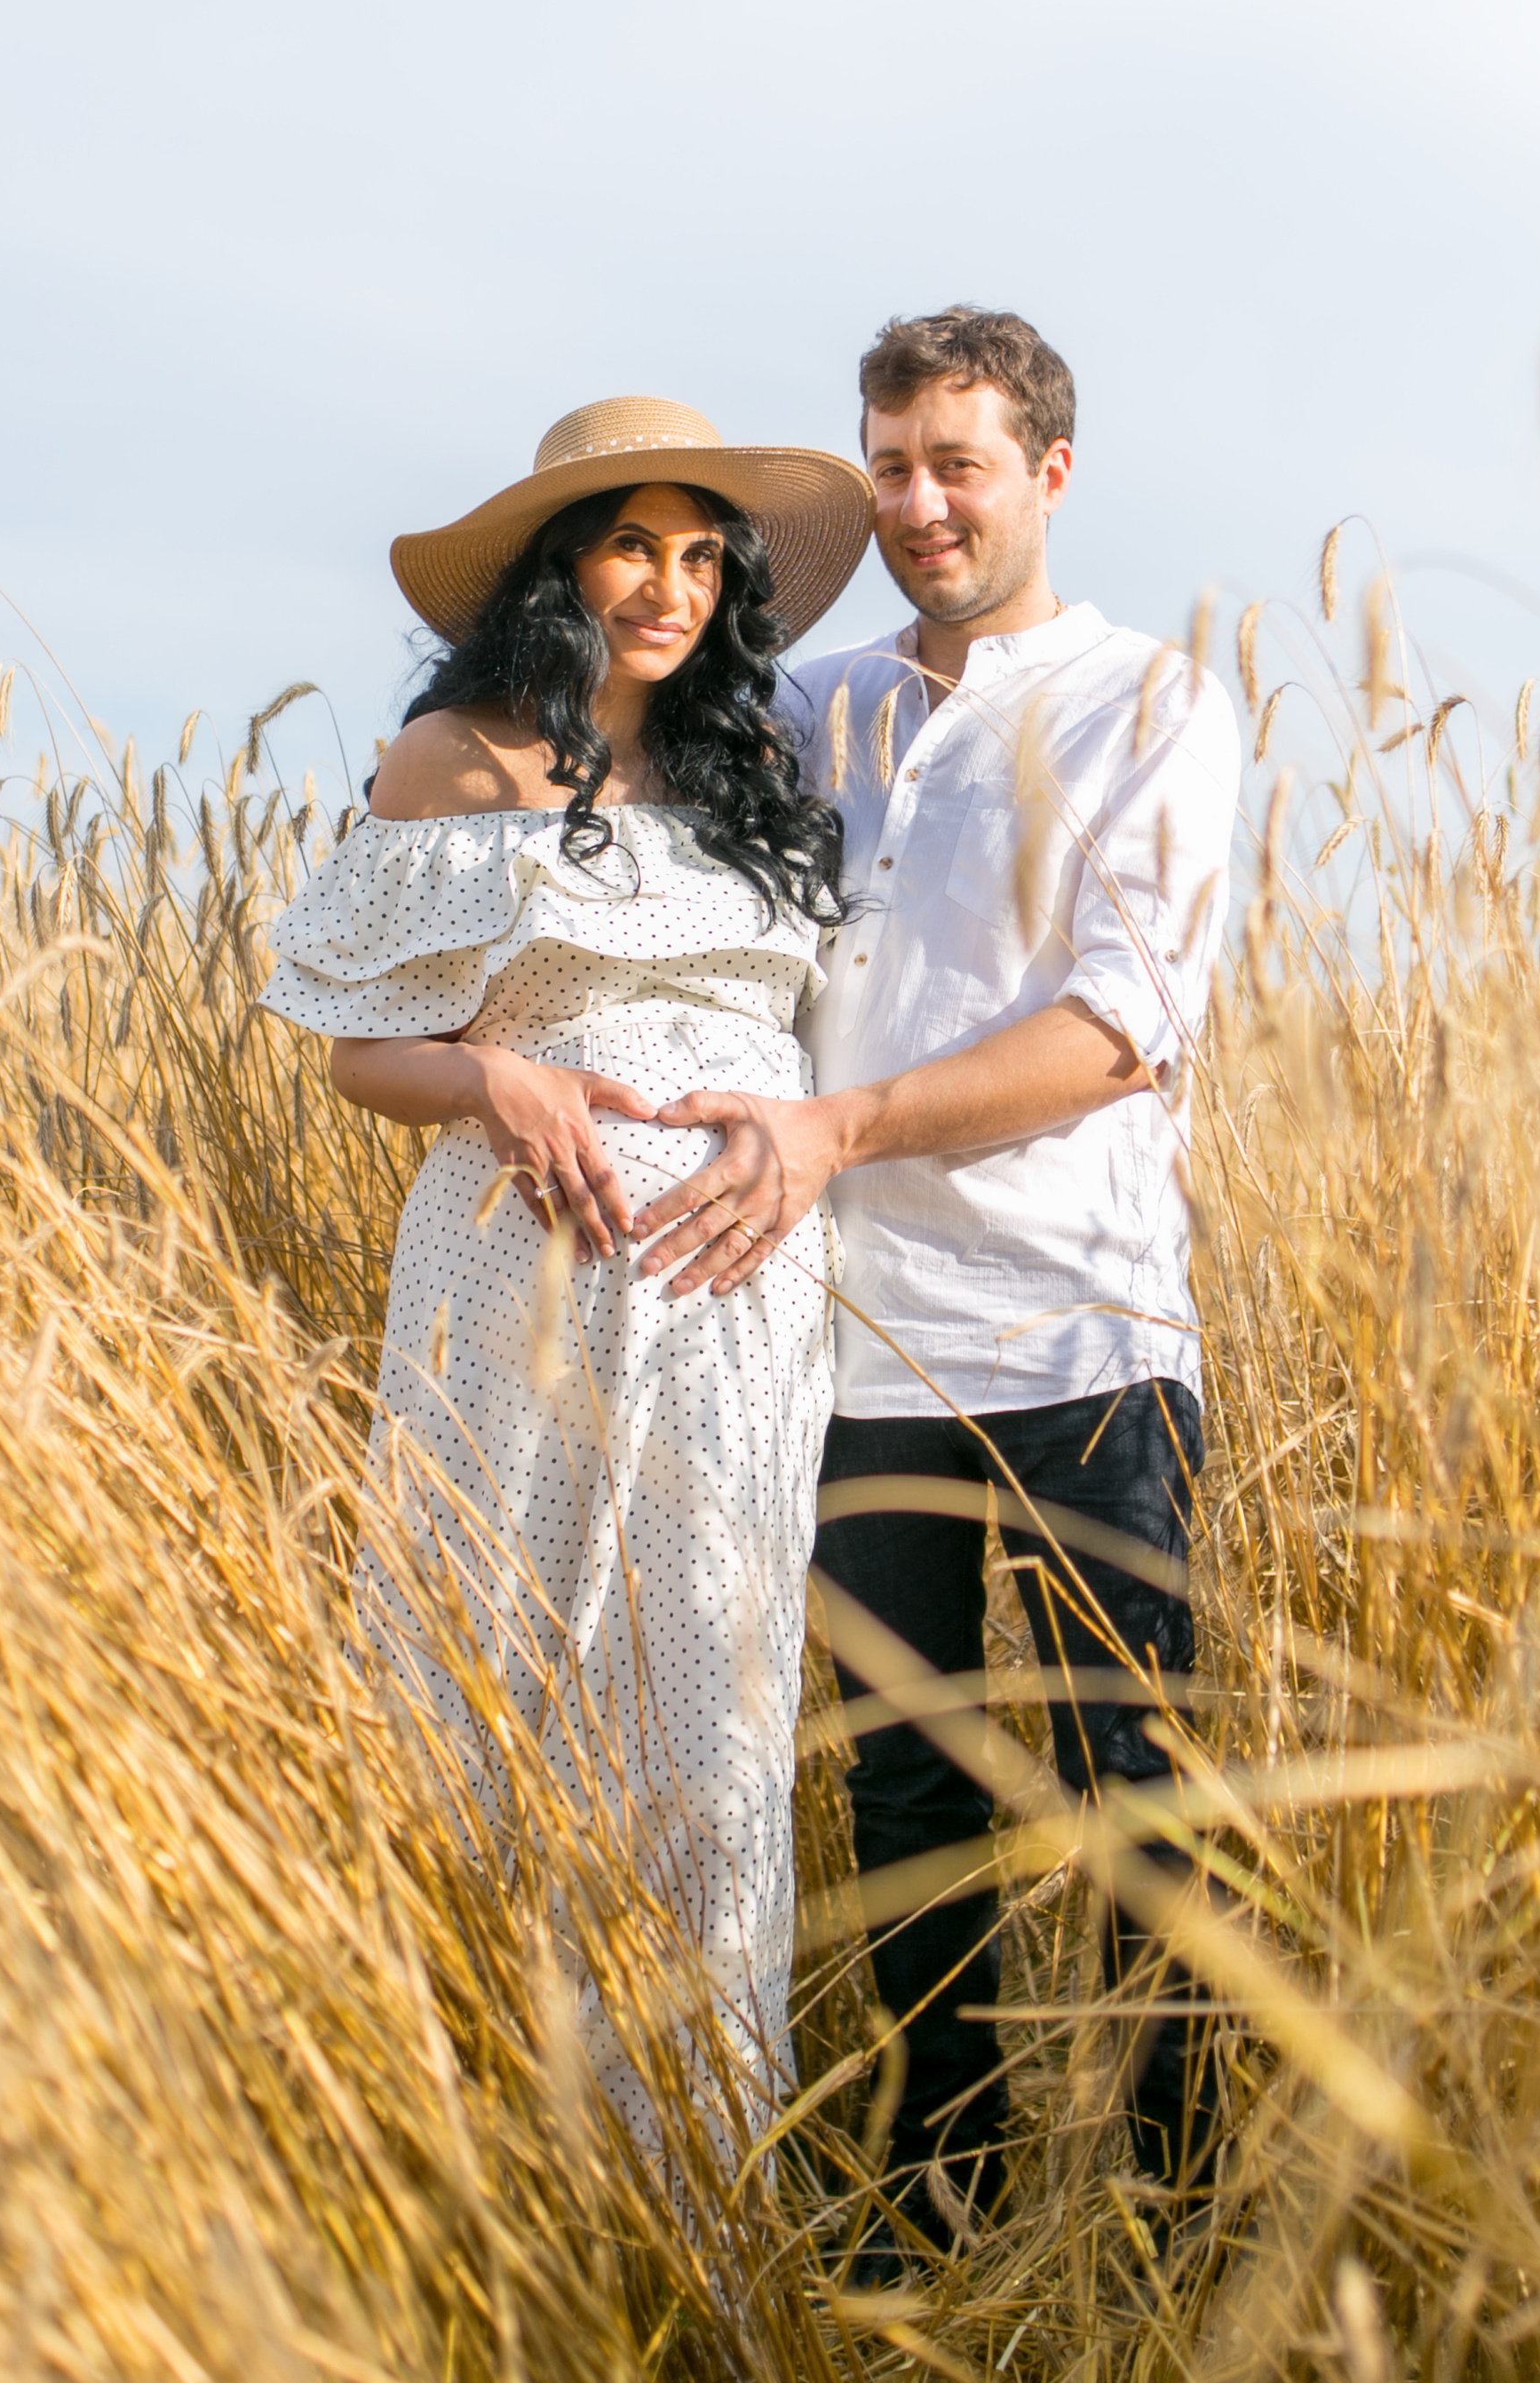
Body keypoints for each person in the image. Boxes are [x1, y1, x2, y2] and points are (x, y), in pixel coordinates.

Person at [622, 308, 1240, 2255]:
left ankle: (1170, 2204)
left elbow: (1121, 1032)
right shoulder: (814, 711)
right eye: (888, 466)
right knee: (902, 1801)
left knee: (1134, 1779)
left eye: (957, 464)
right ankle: (939, 2195)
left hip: (1081, 1332)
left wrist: (843, 1126)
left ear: (1047, 472)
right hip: (849, 1343)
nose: (918, 505)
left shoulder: (1149, 703)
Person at [256, 394, 873, 2153]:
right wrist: (494, 1075)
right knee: (495, 1680)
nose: (666, 586)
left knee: (711, 1712)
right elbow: (365, 1051)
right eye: (630, 545)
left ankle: (693, 2188)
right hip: (516, 1277)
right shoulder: (458, 758)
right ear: (561, 563)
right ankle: (473, 2158)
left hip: (732, 1302)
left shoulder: (753, 775)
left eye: (700, 556)